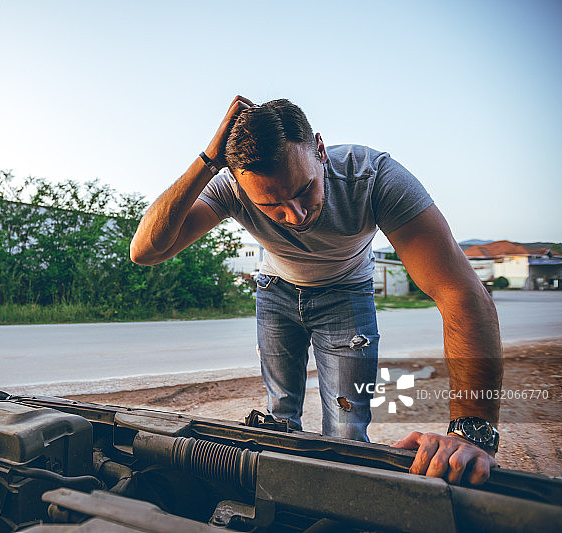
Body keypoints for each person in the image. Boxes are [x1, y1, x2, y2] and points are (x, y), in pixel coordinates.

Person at [130, 96, 503, 485]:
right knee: (277, 420)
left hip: (347, 294)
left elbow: (461, 293)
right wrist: (209, 160)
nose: (296, 215)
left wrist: (471, 431)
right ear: (239, 181)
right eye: (271, 205)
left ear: (320, 150)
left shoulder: (375, 177)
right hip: (275, 292)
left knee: (345, 432)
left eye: (304, 189)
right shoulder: (231, 189)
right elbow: (145, 252)